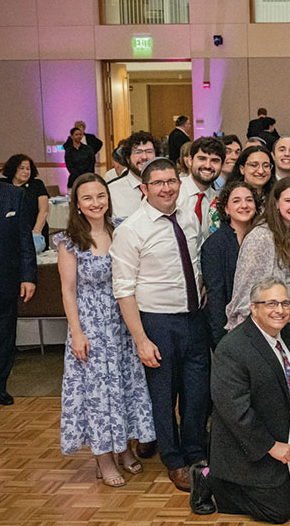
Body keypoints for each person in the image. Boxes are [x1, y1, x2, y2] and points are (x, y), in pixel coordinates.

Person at [110, 157, 209, 492]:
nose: (167, 188)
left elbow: (193, 263)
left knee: (196, 393)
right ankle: (174, 460)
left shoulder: (188, 220)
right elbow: (123, 290)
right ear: (144, 188)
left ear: (179, 184)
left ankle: (195, 452)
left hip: (194, 319)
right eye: (158, 183)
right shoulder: (131, 230)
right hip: (157, 324)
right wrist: (140, 339)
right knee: (163, 397)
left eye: (171, 181)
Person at [55, 173, 154, 487]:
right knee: (99, 395)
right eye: (87, 198)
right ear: (78, 204)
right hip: (91, 326)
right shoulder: (69, 241)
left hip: (122, 322)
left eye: (100, 196)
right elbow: (68, 291)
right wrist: (77, 332)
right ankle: (103, 457)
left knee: (123, 388)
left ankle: (123, 448)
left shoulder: (121, 228)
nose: (95, 203)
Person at [189, 277, 290, 524]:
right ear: (253, 308)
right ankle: (211, 477)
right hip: (247, 445)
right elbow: (236, 412)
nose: (280, 310)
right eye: (271, 303)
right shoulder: (232, 349)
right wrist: (271, 446)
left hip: (285, 435)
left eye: (285, 303)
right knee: (279, 511)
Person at [0, 144, 37, 405]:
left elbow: (24, 239)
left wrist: (28, 276)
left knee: (3, 332)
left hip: (1, 275)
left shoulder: (11, 195)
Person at [226, 177, 290, 329]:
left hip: (280, 321)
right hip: (259, 328)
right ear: (276, 203)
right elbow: (245, 293)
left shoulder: (285, 233)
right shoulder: (262, 236)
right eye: (288, 201)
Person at [202, 182, 257, 347]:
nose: (244, 205)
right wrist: (222, 342)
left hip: (261, 323)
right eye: (236, 201)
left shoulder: (263, 238)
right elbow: (216, 298)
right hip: (230, 331)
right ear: (225, 209)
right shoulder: (214, 245)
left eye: (249, 200)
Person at [209, 144, 276, 235]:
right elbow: (215, 241)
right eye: (254, 165)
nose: (261, 171)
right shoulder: (221, 202)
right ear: (242, 169)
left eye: (266, 165)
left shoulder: (277, 201)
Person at [176, 137, 224, 241]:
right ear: (189, 161)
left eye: (214, 161)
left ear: (222, 165)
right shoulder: (172, 192)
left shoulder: (220, 202)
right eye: (202, 158)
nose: (208, 165)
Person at [1, 154, 49, 251]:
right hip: (9, 231)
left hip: (34, 228)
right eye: (21, 168)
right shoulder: (3, 184)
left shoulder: (37, 184)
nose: (26, 171)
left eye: (28, 169)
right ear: (13, 169)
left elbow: (44, 210)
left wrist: (36, 231)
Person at [111, 132, 160, 218]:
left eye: (149, 152)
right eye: (138, 152)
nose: (144, 157)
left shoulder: (167, 188)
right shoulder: (112, 192)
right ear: (127, 158)